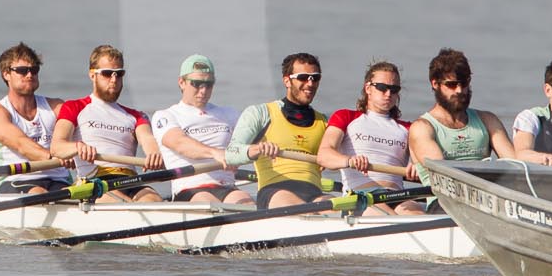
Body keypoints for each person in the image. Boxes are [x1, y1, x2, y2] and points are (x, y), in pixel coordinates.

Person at [50, 44, 166, 203]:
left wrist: (154, 154)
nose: (114, 79)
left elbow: (147, 139)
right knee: (121, 204)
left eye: (119, 74)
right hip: (93, 181)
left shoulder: (136, 115)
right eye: (107, 73)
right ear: (92, 75)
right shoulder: (74, 107)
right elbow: (56, 147)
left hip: (130, 181)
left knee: (154, 200)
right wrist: (77, 147)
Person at [408, 48, 535, 183]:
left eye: (464, 83)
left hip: (485, 198)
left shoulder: (488, 120)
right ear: (435, 84)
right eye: (451, 85)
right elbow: (442, 174)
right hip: (443, 200)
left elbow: (515, 166)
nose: (459, 90)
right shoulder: (422, 128)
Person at [225, 52, 332, 209]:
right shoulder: (260, 113)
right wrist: (256, 149)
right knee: (303, 210)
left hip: (314, 192)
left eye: (315, 78)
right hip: (275, 191)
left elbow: (341, 157)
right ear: (287, 81)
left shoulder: (324, 122)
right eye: (303, 77)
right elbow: (230, 154)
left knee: (345, 211)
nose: (310, 83)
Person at [318, 60, 424, 214]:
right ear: (368, 88)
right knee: (389, 218)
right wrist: (349, 161)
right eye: (382, 88)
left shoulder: (409, 128)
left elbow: (421, 164)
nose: (388, 94)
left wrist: (417, 168)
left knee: (417, 215)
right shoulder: (345, 117)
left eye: (394, 89)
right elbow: (324, 155)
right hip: (361, 197)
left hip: (398, 196)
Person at [150, 54, 252, 206]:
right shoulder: (166, 115)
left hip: (227, 187)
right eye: (197, 84)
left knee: (247, 203)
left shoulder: (229, 114)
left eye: (209, 84)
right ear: (182, 82)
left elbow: (253, 143)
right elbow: (179, 143)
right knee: (209, 203)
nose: (203, 90)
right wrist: (215, 153)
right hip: (190, 189)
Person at [0, 41, 67, 193]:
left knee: (79, 196)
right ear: (6, 74)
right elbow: (22, 145)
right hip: (17, 180)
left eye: (34, 70)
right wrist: (59, 158)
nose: (29, 75)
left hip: (59, 179)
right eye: (22, 70)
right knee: (39, 193)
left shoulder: (57, 107)